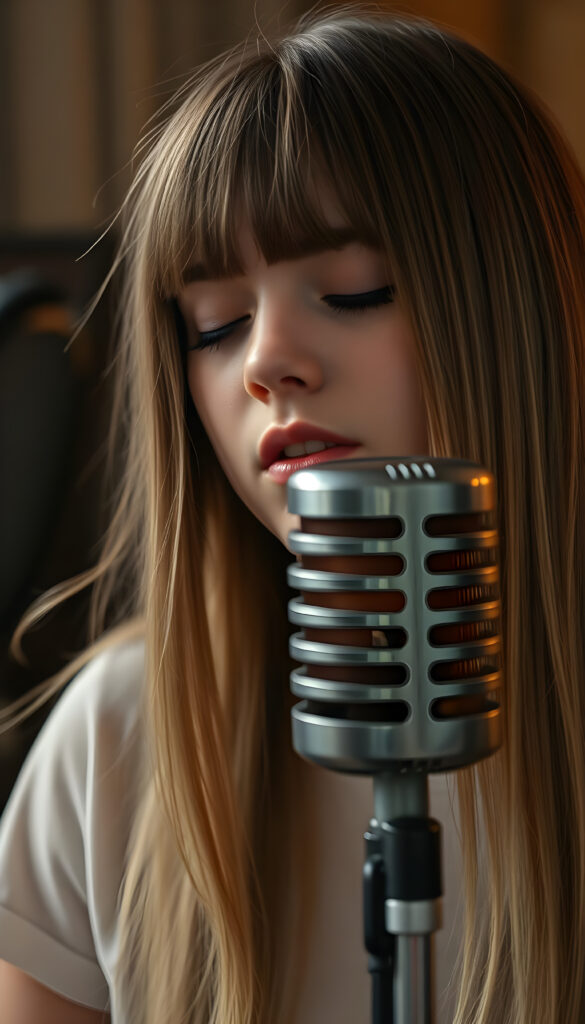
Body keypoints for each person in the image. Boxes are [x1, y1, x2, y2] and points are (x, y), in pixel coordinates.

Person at [1, 6, 585, 1022]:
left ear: (523, 312)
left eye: (356, 291)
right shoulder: (122, 735)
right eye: (216, 323)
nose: (267, 361)